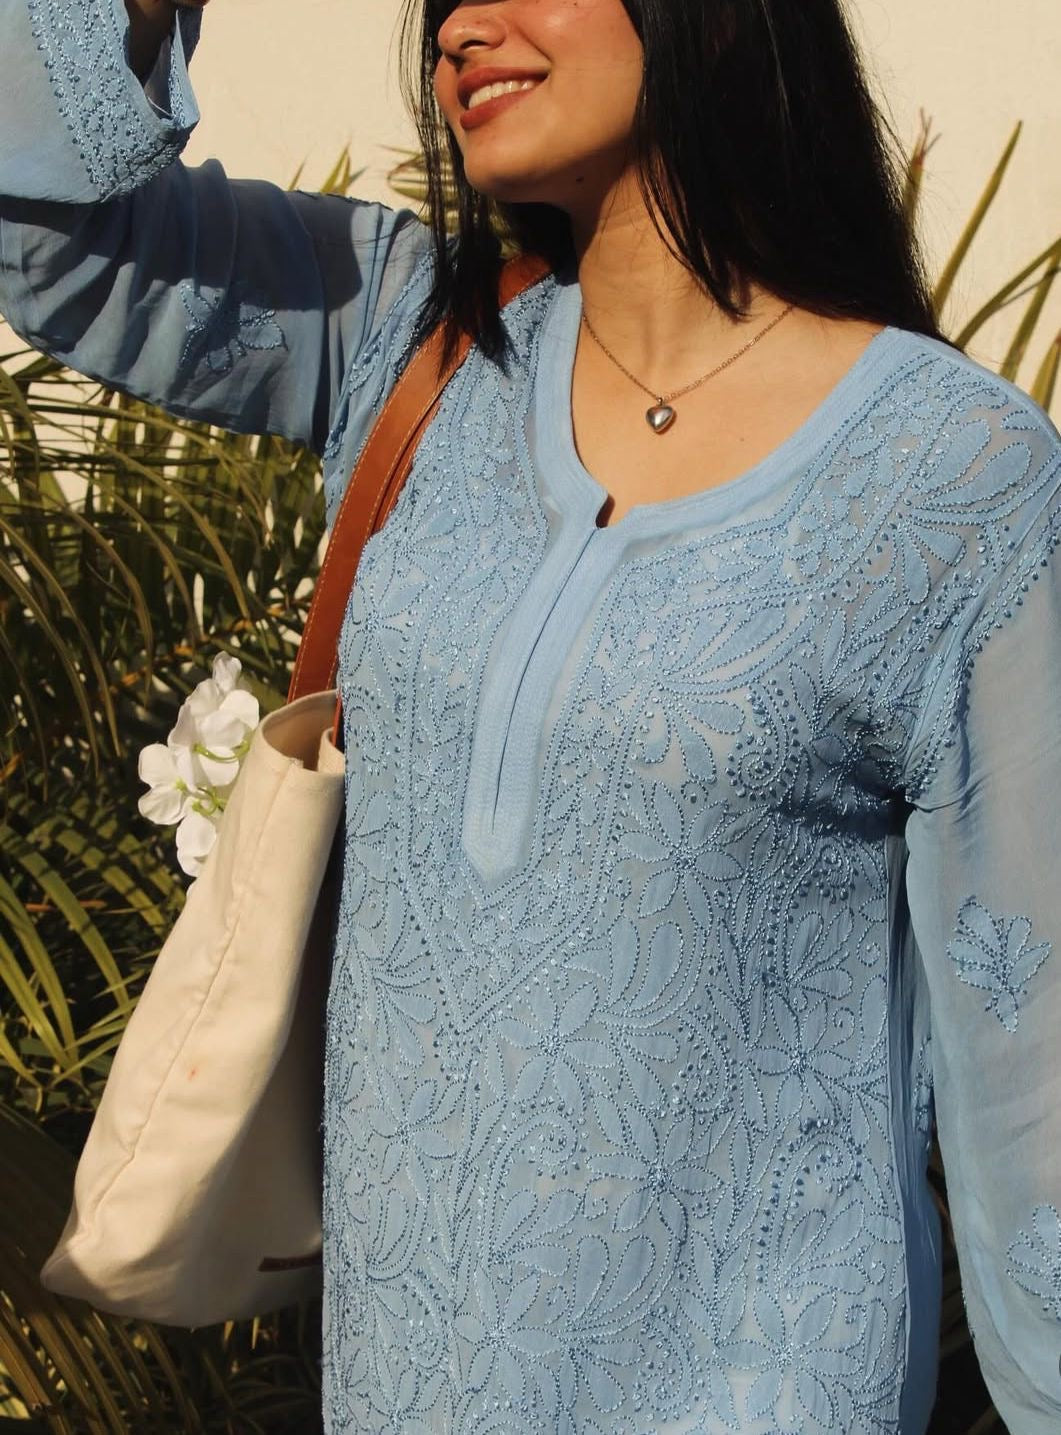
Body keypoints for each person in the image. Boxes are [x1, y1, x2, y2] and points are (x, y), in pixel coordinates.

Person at [1, 0, 1059, 1430]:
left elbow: (1033, 1071)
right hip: (407, 1389)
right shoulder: (403, 337)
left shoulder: (954, 479)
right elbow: (45, 239)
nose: (461, 30)